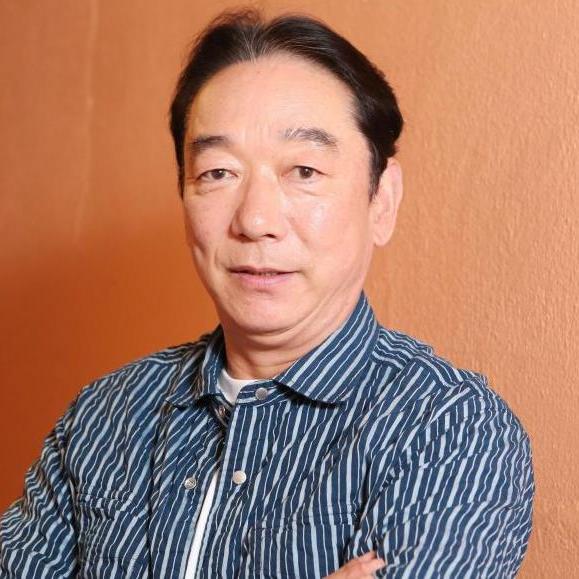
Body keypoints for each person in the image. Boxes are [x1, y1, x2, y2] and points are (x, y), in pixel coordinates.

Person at [0, 8, 534, 578]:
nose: (255, 220)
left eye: (303, 170)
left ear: (382, 201)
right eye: (218, 172)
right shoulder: (105, 417)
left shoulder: (448, 430)